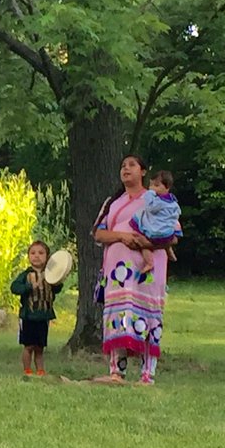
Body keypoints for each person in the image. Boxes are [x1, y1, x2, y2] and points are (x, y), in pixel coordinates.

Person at [93, 155, 181, 384]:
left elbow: (173, 236)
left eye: (132, 165)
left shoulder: (155, 199)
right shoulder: (112, 203)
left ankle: (147, 374)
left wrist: (144, 243)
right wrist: (122, 236)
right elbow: (99, 233)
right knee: (120, 316)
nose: (126, 169)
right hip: (118, 274)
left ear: (143, 171)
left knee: (147, 316)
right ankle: (116, 372)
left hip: (148, 271)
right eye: (123, 165)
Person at [10, 241, 63, 377]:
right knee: (28, 346)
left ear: (47, 256)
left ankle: (40, 370)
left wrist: (59, 280)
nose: (36, 256)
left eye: (41, 253)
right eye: (33, 253)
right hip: (29, 316)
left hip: (43, 316)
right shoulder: (26, 275)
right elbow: (14, 287)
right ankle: (27, 370)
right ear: (28, 256)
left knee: (40, 347)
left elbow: (56, 289)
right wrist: (28, 288)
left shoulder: (50, 275)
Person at [130, 169, 181, 273]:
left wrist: (149, 195)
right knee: (164, 238)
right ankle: (169, 250)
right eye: (151, 185)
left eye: (156, 186)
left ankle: (149, 262)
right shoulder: (173, 201)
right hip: (168, 234)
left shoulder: (158, 201)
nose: (152, 189)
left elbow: (150, 208)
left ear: (167, 187)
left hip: (155, 233)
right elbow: (177, 213)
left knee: (141, 238)